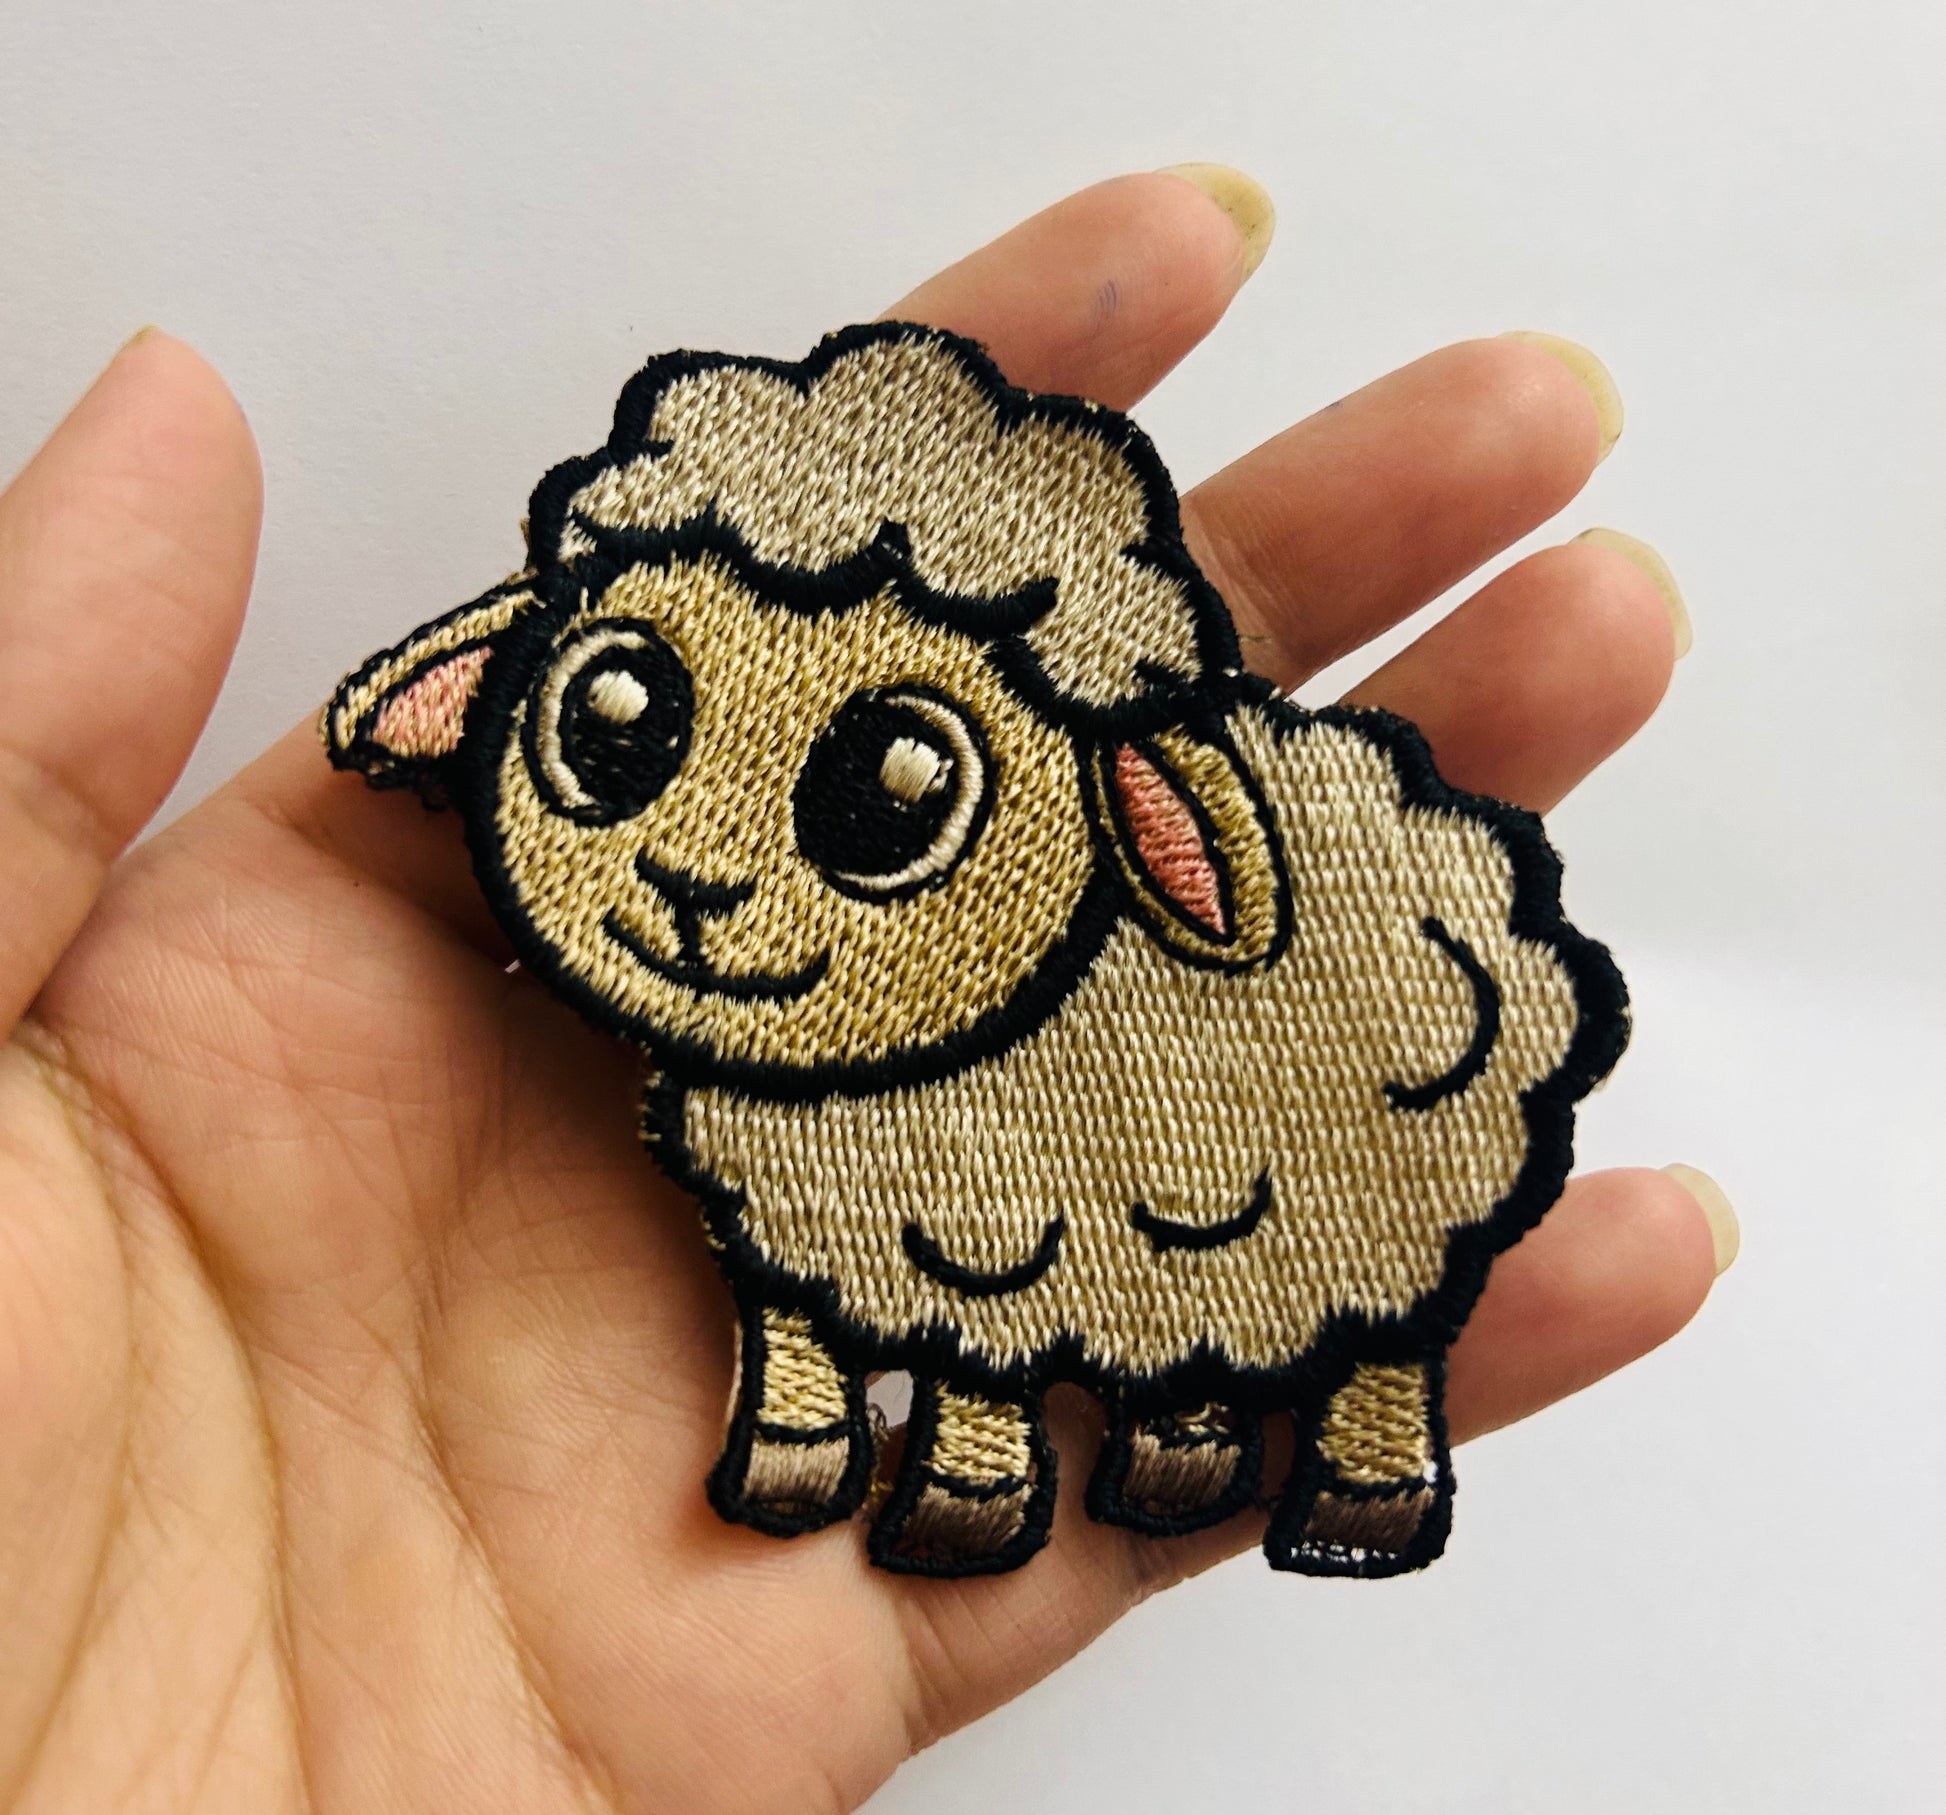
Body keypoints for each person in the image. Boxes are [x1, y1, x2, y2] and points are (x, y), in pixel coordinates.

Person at [0, 166, 1736, 1812]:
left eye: (897, 790)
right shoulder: (737, 1095)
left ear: (1140, 826)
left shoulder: (1175, 898)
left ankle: (1343, 1412)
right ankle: (992, 1451)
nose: (694, 872)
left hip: (1226, 1056)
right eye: (618, 723)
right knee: (893, 1245)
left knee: (1294, 1221)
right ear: (490, 694)